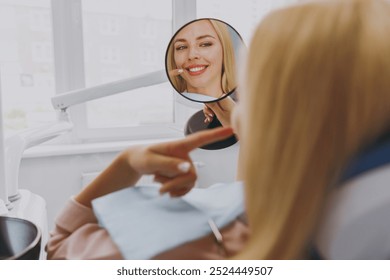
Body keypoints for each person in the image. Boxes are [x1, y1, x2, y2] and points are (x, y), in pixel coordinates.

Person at [47, 0, 390, 260]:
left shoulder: (199, 249)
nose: (191, 54)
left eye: (255, 87)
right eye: (182, 47)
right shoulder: (301, 209)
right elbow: (262, 187)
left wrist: (126, 163)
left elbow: (58, 246)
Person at [167, 18, 237, 126]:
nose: (191, 55)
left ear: (224, 50)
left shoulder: (242, 103)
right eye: (181, 47)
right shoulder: (178, 104)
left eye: (205, 44)